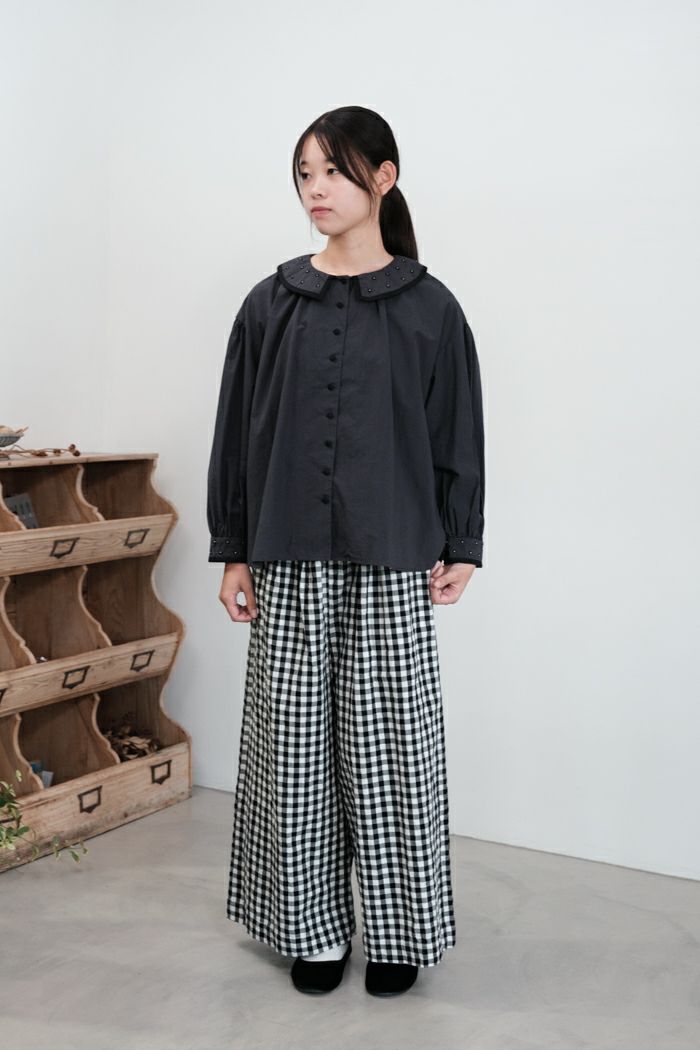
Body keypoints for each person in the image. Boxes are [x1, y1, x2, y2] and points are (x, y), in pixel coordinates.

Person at [206, 106, 485, 998]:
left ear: (384, 178)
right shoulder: (270, 303)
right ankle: (312, 932)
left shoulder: (431, 308)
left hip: (395, 554)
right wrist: (234, 548)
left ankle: (398, 934)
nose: (315, 190)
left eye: (333, 171)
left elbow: (457, 431)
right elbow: (238, 433)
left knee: (394, 749)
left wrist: (463, 539)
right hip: (285, 553)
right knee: (292, 751)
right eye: (304, 174)